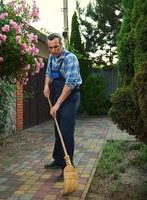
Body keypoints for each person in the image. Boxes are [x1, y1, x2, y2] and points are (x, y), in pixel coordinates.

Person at [43, 33, 82, 180]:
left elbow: (69, 84)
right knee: (57, 128)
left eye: (56, 47)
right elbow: (49, 73)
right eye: (50, 48)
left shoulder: (70, 58)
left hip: (70, 97)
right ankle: (58, 160)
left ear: (62, 44)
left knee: (66, 131)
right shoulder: (52, 57)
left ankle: (68, 166)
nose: (53, 50)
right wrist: (46, 85)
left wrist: (57, 104)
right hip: (57, 94)